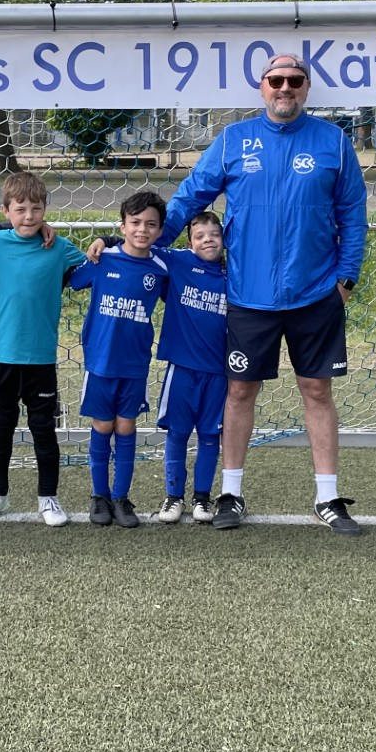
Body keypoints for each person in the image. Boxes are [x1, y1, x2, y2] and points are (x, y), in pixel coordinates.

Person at [155, 50, 368, 534]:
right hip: (249, 296)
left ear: (306, 87)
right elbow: (190, 196)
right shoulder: (233, 140)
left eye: (294, 80)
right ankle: (231, 494)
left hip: (316, 294)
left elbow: (353, 215)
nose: (284, 88)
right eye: (276, 80)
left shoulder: (334, 142)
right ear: (263, 87)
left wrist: (346, 279)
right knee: (239, 391)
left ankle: (327, 498)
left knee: (317, 390)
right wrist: (145, 244)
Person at [0, 171, 86, 527]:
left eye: (36, 209)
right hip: (2, 355)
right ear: (6, 211)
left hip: (41, 358)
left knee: (43, 429)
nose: (29, 216)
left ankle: (48, 498)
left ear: (46, 209)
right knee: (0, 428)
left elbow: (95, 266)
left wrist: (105, 240)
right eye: (20, 209)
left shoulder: (59, 248)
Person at [66, 190, 171, 529]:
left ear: (160, 230)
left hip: (135, 364)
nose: (142, 230)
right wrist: (103, 241)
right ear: (123, 226)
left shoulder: (161, 268)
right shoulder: (103, 259)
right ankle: (99, 495)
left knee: (126, 427)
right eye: (135, 223)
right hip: (100, 362)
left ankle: (121, 497)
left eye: (151, 224)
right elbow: (72, 278)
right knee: (102, 426)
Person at [150, 211, 229, 524]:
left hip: (219, 373)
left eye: (214, 234)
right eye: (200, 236)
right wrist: (105, 240)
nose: (208, 240)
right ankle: (173, 497)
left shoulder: (234, 273)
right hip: (182, 368)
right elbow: (142, 244)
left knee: (210, 436)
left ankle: (202, 499)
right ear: (189, 242)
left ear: (224, 239)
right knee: (178, 433)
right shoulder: (178, 262)